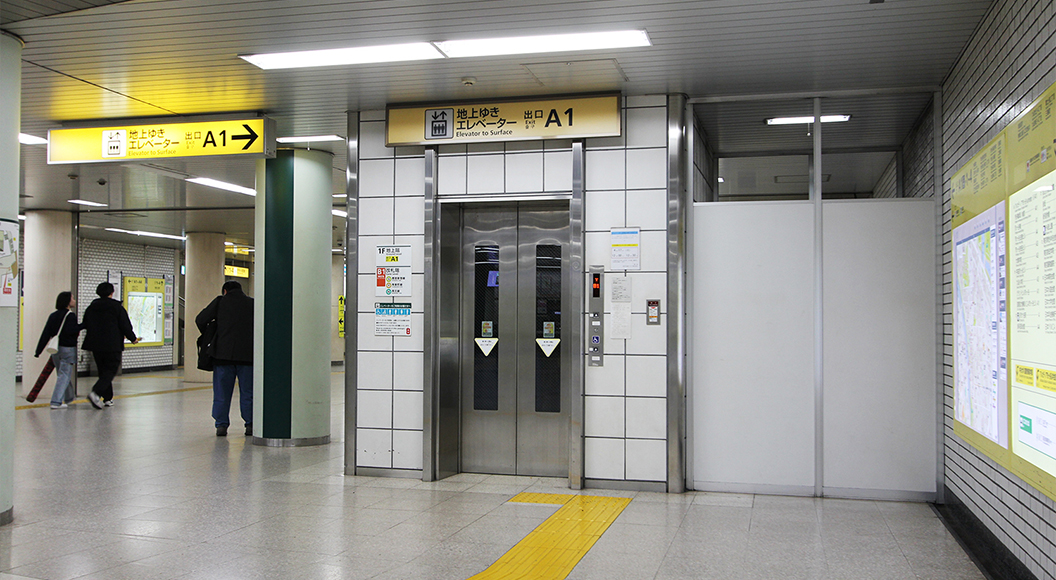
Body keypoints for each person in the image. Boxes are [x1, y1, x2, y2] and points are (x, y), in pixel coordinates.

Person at [196, 281, 253, 437]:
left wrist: (212, 330)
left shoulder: (220, 302)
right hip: (247, 356)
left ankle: (221, 425)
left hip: (222, 355)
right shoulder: (252, 303)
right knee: (248, 392)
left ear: (225, 291)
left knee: (222, 392)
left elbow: (200, 319)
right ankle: (250, 424)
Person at [80, 281, 139, 409]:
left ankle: (107, 398)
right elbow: (125, 325)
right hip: (112, 344)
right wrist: (133, 338)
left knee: (103, 371)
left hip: (95, 344)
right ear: (112, 293)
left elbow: (86, 323)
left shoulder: (91, 307)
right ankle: (96, 393)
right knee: (111, 370)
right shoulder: (117, 307)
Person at [33, 291, 81, 409]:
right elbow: (71, 331)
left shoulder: (53, 315)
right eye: (72, 298)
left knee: (63, 374)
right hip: (68, 349)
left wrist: (38, 351)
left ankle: (69, 398)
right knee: (64, 375)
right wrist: (84, 325)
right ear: (67, 302)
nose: (74, 300)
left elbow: (46, 334)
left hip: (56, 350)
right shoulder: (70, 316)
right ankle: (56, 401)